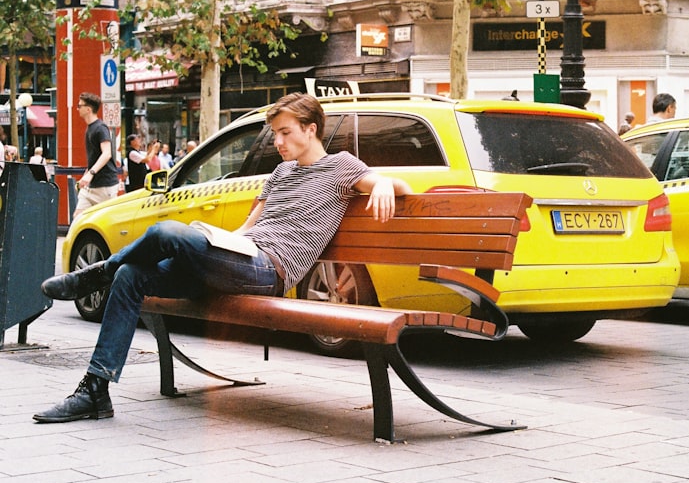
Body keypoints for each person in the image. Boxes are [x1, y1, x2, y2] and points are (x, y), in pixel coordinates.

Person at [34, 92, 412, 423]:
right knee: (132, 275)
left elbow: (401, 185)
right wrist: (215, 242)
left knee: (166, 231)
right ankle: (95, 391)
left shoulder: (341, 166)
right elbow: (250, 227)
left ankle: (95, 274)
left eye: (285, 132)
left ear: (310, 129)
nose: (277, 141)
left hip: (269, 270)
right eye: (275, 133)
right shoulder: (280, 173)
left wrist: (380, 184)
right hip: (238, 258)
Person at [74, 93, 119, 221]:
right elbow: (94, 157)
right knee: (78, 217)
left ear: (88, 109)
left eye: (79, 106)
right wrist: (86, 175)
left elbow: (107, 153)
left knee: (108, 221)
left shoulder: (100, 128)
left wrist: (91, 173)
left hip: (105, 185)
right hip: (91, 187)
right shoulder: (90, 128)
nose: (77, 109)